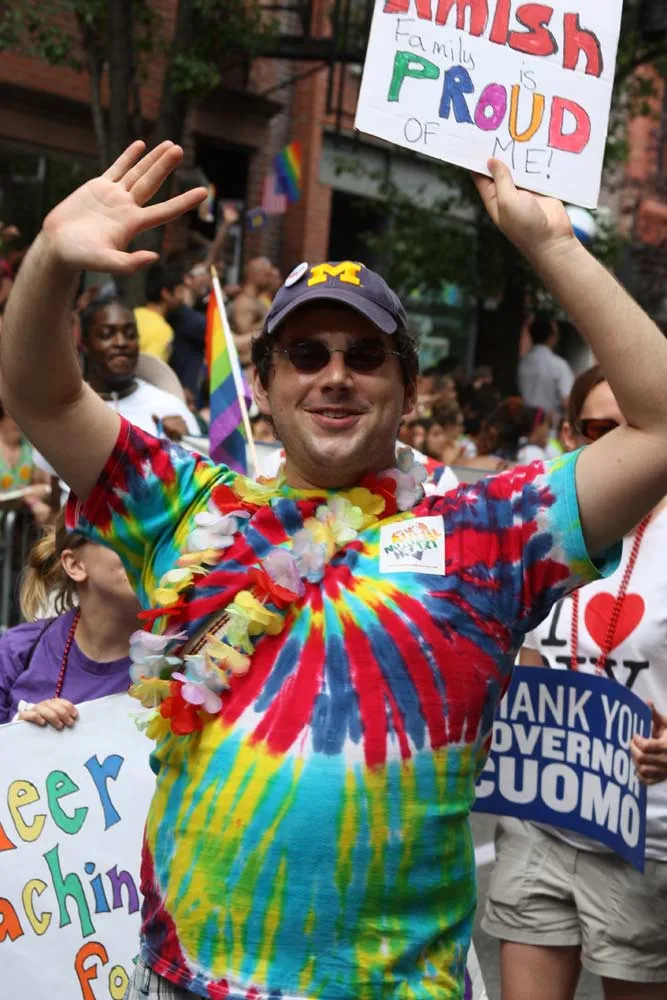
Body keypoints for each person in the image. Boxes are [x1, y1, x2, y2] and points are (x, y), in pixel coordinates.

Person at [4, 141, 667, 1000]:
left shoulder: (487, 534)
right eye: (307, 354)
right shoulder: (188, 508)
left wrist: (551, 245)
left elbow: (655, 428)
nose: (335, 376)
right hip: (183, 980)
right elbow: (45, 397)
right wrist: (52, 259)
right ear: (266, 385)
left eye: (365, 355)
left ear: (406, 387)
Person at [482, 364, 667, 1000]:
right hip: (542, 821)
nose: (622, 445)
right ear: (569, 434)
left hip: (645, 839)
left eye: (639, 425)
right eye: (600, 429)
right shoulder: (545, 530)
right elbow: (530, 667)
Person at [0, 510, 139, 727]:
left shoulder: (181, 657)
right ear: (75, 565)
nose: (146, 552)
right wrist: (20, 732)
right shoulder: (16, 650)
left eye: (157, 538)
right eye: (124, 535)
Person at [80, 295, 200, 440]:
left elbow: (201, 454)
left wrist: (184, 443)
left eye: (130, 334)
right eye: (107, 334)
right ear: (84, 344)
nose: (121, 342)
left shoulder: (169, 407)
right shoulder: (69, 411)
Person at [518, 312, 574, 415]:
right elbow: (567, 401)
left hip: (525, 422)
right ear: (551, 338)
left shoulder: (522, 364)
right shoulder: (558, 365)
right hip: (549, 423)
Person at [227, 255, 272, 366]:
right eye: (266, 275)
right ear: (254, 275)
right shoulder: (244, 303)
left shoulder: (258, 301)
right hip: (246, 368)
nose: (269, 280)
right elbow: (244, 340)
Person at [134, 260, 182, 361]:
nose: (182, 296)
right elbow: (151, 368)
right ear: (166, 293)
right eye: (180, 290)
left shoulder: (132, 314)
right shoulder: (162, 331)